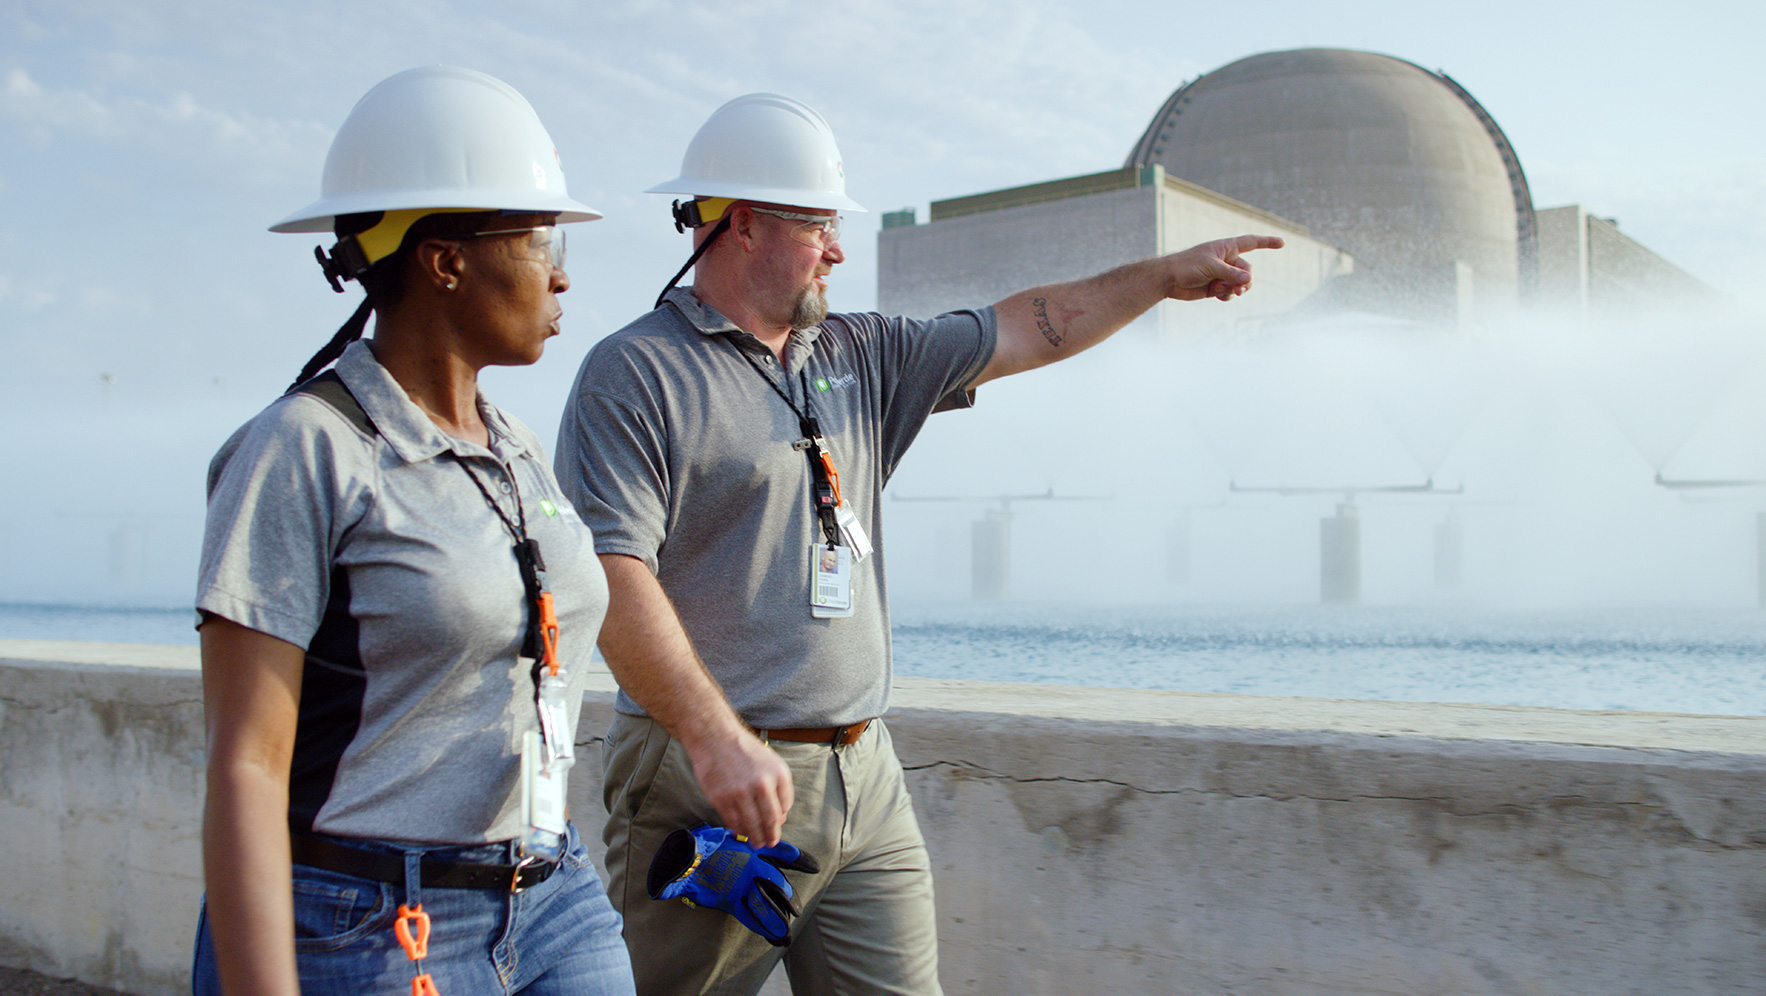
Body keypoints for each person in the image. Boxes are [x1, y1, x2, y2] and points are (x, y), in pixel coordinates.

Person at [553, 91, 1282, 995]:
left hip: (866, 773)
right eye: (818, 224)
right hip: (710, 786)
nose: (838, 248)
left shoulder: (864, 355)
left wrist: (1164, 277)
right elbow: (611, 577)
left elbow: (1030, 324)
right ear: (741, 225)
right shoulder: (636, 374)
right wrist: (715, 741)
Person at [192, 66, 634, 996]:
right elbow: (246, 765)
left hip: (554, 894)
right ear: (445, 261)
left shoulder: (512, 444)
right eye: (540, 238)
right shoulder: (301, 451)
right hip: (374, 924)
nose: (562, 273)